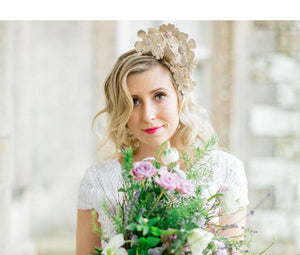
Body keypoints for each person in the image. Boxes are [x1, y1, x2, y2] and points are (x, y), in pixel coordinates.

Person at [76, 23, 249, 255]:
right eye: (134, 101)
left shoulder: (225, 170)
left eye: (159, 96)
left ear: (180, 96)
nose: (148, 115)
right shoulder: (97, 181)